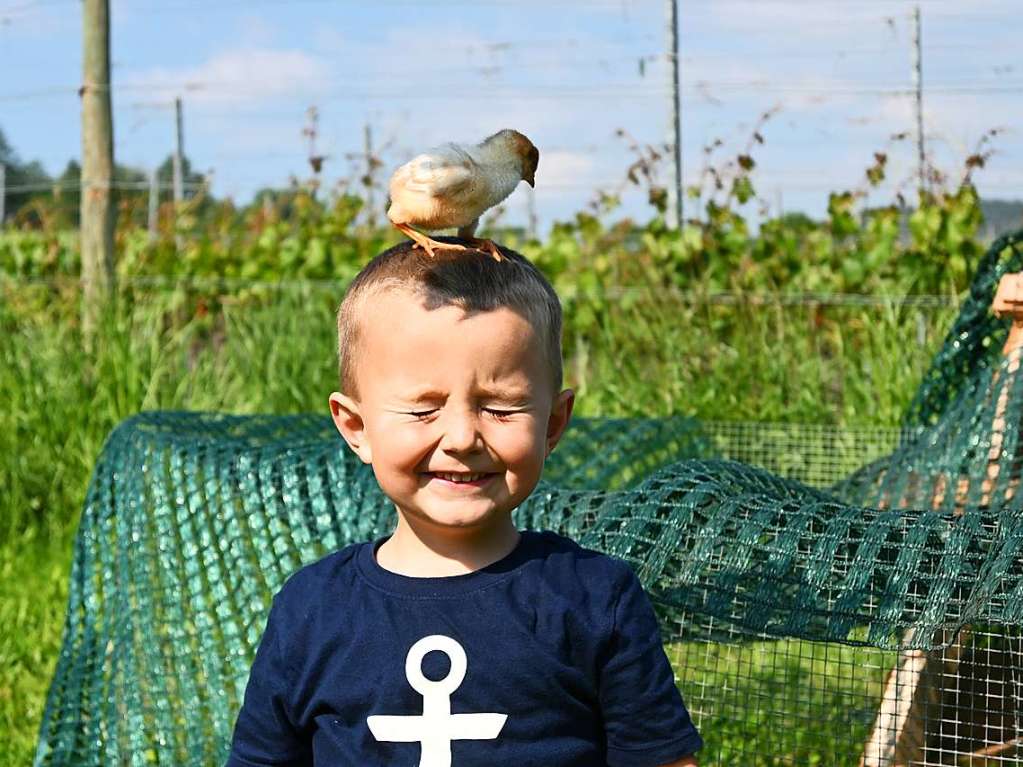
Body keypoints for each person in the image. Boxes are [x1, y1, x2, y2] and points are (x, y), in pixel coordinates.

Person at [225, 238, 703, 766]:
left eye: (499, 408)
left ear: (553, 423)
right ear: (357, 427)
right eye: (422, 409)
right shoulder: (310, 609)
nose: (460, 437)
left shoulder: (594, 600)